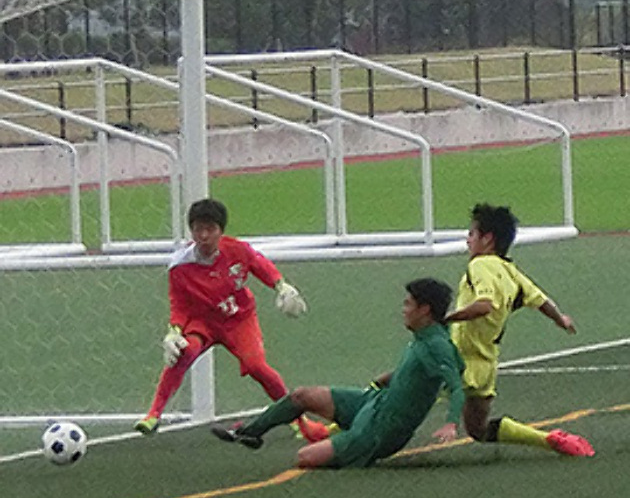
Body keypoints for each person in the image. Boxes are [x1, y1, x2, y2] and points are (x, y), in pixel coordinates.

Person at [211, 278, 466, 468]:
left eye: (408, 304)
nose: (403, 309)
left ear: (425, 310)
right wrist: (395, 377)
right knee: (301, 396)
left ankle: (352, 445)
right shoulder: (425, 338)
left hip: (380, 430)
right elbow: (449, 368)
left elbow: (456, 384)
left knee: (305, 458)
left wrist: (451, 423)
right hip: (373, 403)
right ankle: (250, 433)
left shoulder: (436, 344)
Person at [134, 198, 329, 442]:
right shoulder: (180, 266)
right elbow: (180, 304)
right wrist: (173, 332)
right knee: (183, 352)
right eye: (198, 229)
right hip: (202, 322)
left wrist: (282, 286)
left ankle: (299, 422)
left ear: (221, 231)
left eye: (210, 229)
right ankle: (153, 415)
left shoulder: (237, 250)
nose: (203, 235)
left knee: (257, 366)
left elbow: (260, 266)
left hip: (239, 319)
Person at [445, 203, 594, 457]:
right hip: (487, 364)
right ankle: (550, 440)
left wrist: (447, 317)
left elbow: (484, 305)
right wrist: (560, 319)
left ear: (487, 238)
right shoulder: (510, 271)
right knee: (477, 429)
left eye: (472, 234)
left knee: (405, 384)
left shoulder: (479, 266)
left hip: (461, 361)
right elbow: (540, 299)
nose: (467, 240)